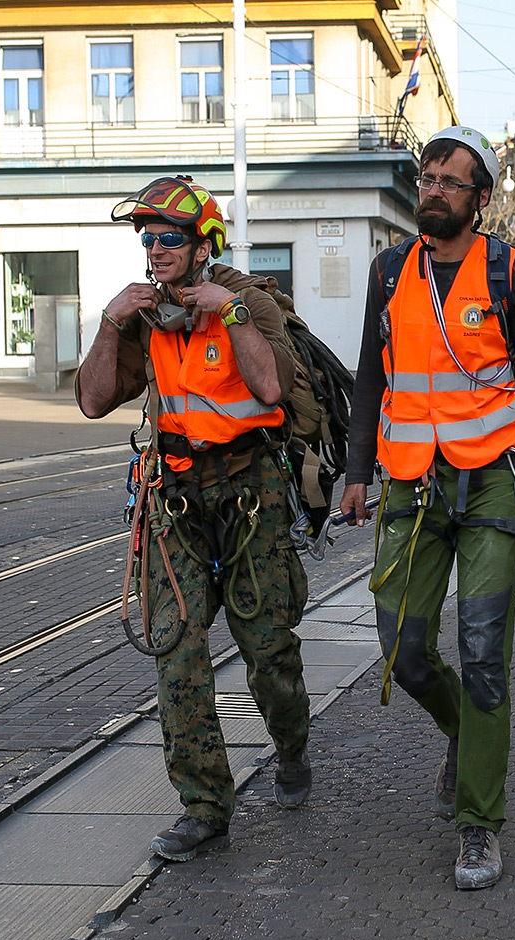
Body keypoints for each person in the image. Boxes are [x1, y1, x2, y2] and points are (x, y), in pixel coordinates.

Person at [340, 127, 515, 890]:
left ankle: (478, 823)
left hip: (488, 484)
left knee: (483, 651)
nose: (434, 189)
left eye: (452, 181)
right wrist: (356, 471)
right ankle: (462, 734)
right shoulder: (389, 271)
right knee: (404, 649)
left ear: (481, 200)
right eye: (427, 177)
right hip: (410, 487)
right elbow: (368, 380)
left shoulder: (513, 273)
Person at [76, 175, 311, 862]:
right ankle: (205, 804)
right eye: (146, 237)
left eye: (168, 236)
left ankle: (292, 743)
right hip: (175, 499)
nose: (155, 248)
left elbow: (271, 387)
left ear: (203, 240)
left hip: (249, 494)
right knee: (178, 654)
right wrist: (110, 320)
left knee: (268, 651)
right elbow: (92, 401)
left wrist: (231, 314)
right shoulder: (145, 316)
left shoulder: (252, 304)